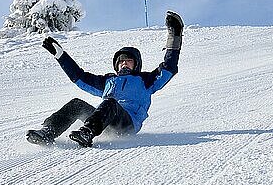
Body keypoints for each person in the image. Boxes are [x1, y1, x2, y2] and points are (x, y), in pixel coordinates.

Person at [26, 10, 183, 147]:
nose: (124, 64)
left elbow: (168, 67)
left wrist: (174, 35)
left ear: (136, 65)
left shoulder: (146, 80)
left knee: (110, 102)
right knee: (76, 104)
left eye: (128, 61)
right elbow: (79, 77)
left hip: (127, 124)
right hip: (104, 122)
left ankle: (87, 132)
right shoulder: (108, 81)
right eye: (121, 61)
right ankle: (48, 132)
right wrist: (61, 56)